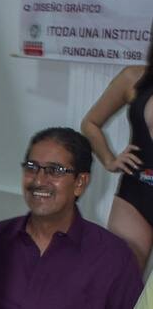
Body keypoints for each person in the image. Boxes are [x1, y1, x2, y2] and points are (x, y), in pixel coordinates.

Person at [0, 127, 142, 308]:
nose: (39, 180)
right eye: (31, 167)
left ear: (80, 182)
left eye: (55, 170)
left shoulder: (113, 259)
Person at [81, 57, 153, 272]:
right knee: (119, 276)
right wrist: (109, 160)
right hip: (136, 194)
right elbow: (90, 123)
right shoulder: (134, 77)